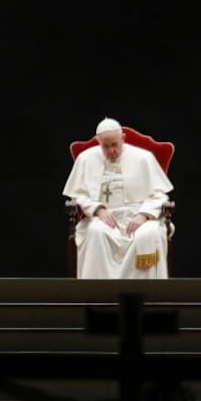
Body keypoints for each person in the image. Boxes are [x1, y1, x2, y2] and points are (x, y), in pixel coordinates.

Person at [63, 117, 173, 279]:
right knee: (95, 232)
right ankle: (99, 294)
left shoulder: (144, 157)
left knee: (150, 233)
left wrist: (143, 215)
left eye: (115, 145)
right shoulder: (86, 159)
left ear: (123, 138)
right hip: (105, 217)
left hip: (139, 215)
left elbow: (160, 194)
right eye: (105, 146)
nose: (111, 151)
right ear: (98, 142)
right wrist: (98, 209)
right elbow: (79, 194)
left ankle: (146, 294)